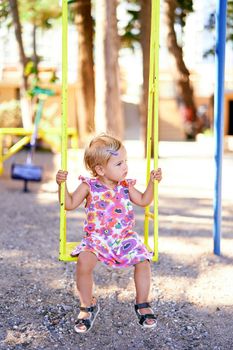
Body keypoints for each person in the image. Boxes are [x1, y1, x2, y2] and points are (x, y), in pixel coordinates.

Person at [56, 134, 162, 334]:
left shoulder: (126, 186)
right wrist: (61, 186)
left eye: (125, 161)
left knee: (143, 261)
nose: (125, 167)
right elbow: (68, 204)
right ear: (100, 169)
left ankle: (142, 303)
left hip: (124, 238)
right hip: (96, 239)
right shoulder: (88, 186)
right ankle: (87, 306)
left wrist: (152, 182)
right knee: (83, 262)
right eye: (119, 163)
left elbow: (144, 200)